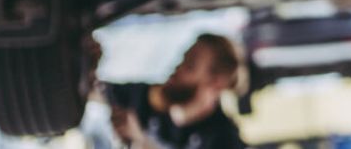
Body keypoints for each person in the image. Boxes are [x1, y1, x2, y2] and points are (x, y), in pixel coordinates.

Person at [105, 34, 246, 149]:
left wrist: (142, 143)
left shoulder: (224, 139)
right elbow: (97, 91)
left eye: (190, 66)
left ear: (215, 83)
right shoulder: (147, 97)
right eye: (183, 59)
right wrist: (90, 65)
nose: (178, 68)